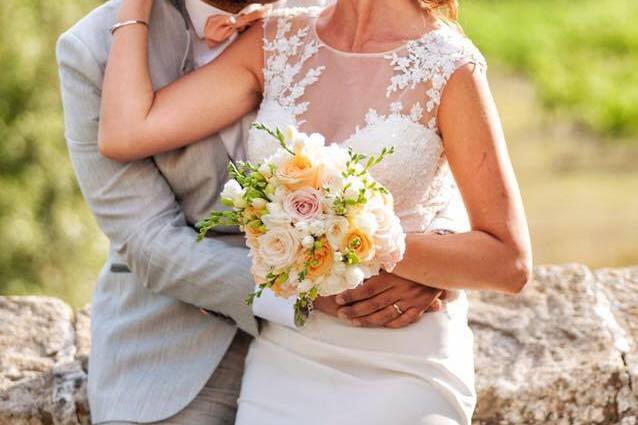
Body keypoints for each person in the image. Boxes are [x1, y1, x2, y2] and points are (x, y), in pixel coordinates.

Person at [57, 0, 466, 424]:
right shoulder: (93, 50)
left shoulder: (335, 8)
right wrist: (310, 286)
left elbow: (422, 143)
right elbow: (149, 241)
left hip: (361, 334)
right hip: (176, 336)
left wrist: (432, 256)